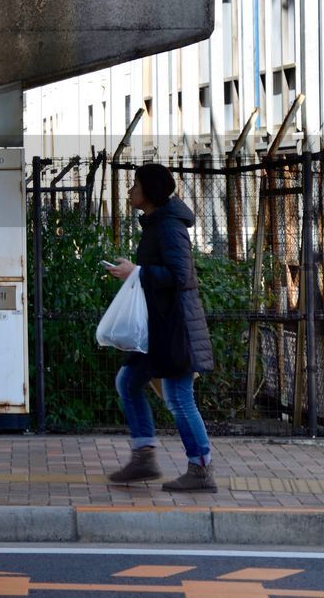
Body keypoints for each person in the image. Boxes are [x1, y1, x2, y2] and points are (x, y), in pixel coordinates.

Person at [105, 163, 217, 491]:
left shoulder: (168, 226)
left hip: (174, 326)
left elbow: (179, 276)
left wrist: (137, 272)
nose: (130, 191)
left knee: (179, 396)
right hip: (156, 326)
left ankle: (201, 468)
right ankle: (144, 458)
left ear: (149, 191)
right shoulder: (157, 223)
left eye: (135, 184)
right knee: (127, 382)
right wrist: (138, 272)